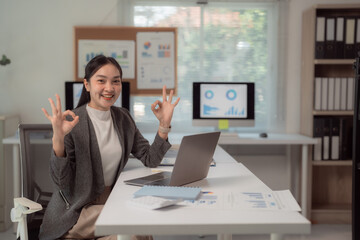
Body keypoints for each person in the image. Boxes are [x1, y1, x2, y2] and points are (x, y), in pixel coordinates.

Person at [39, 55, 180, 240]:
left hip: (111, 202)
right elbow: (61, 183)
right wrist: (58, 138)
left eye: (116, 81)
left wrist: (163, 125)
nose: (109, 88)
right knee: (136, 227)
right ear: (87, 85)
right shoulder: (72, 121)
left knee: (138, 232)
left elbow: (150, 158)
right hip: (77, 213)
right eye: (101, 81)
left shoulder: (123, 118)